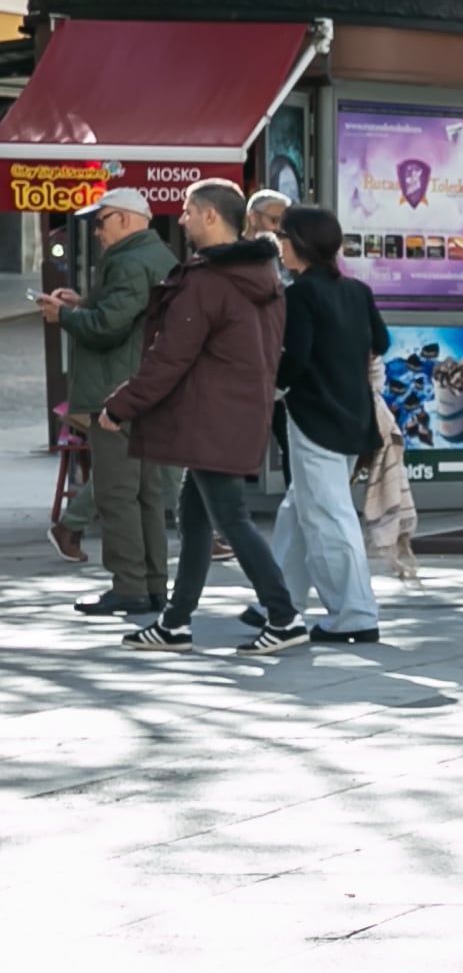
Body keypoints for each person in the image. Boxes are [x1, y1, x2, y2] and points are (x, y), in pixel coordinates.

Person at [101, 181, 300, 655]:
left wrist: (120, 405)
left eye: (189, 211)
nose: (183, 220)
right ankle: (175, 622)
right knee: (193, 517)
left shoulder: (208, 281)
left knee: (229, 518)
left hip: (211, 417)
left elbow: (169, 357)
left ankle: (284, 616)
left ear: (211, 217)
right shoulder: (263, 275)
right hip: (235, 413)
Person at [42, 190, 182, 624]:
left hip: (116, 393)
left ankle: (129, 588)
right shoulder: (158, 256)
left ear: (124, 220)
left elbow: (107, 327)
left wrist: (62, 317)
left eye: (102, 222)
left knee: (118, 492)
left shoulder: (126, 260)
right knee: (146, 493)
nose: (98, 231)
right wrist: (82, 304)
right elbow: (128, 314)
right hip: (145, 391)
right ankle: (154, 585)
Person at [268, 205, 386, 645]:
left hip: (313, 418)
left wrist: (269, 386)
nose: (278, 245)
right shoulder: (356, 290)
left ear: (300, 243)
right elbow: (382, 341)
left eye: (283, 236)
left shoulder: (300, 295)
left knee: (327, 516)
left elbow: (293, 362)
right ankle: (277, 599)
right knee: (300, 509)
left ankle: (354, 613)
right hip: (353, 415)